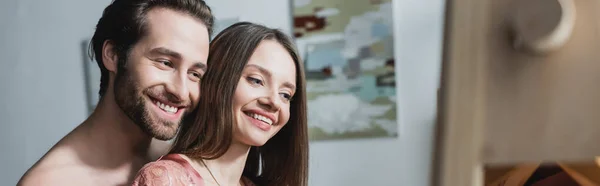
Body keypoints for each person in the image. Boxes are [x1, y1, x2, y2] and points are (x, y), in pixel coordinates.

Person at [18, 0, 214, 185]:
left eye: (195, 74)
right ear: (113, 55)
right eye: (165, 63)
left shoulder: (186, 161)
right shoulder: (50, 181)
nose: (181, 91)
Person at [131, 22, 309, 186]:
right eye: (256, 80)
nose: (274, 102)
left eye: (285, 95)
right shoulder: (166, 179)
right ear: (216, 81)